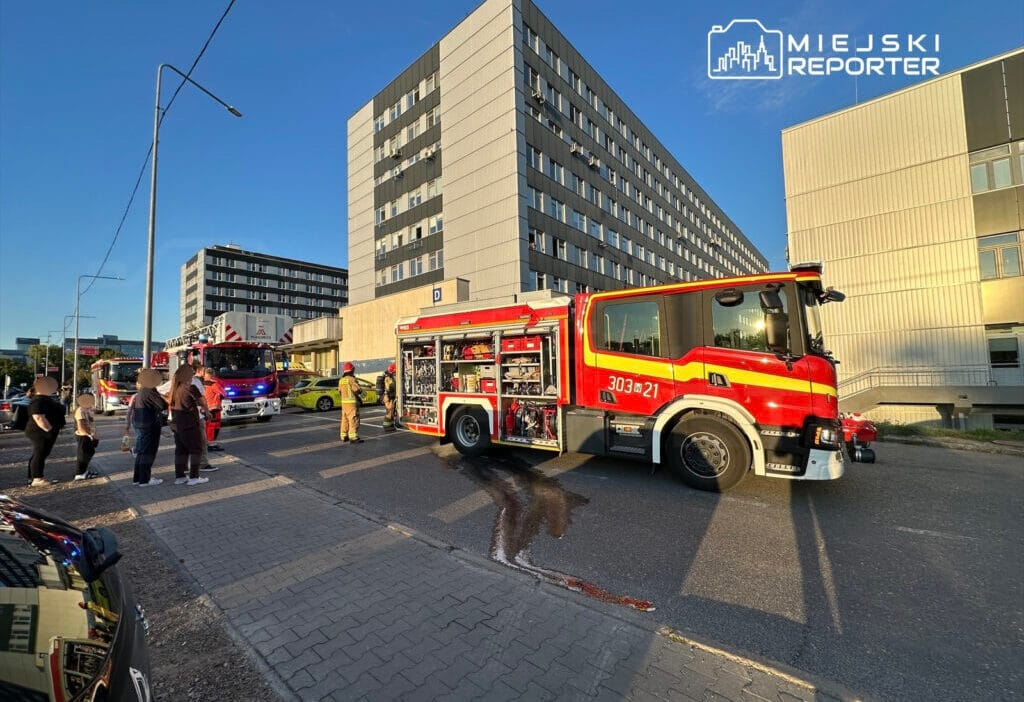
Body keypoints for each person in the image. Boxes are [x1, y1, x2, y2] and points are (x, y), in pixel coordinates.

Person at [168, 365, 209, 486]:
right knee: (196, 449)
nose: (193, 377)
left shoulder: (174, 389)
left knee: (181, 450)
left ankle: (180, 476)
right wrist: (206, 411)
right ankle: (194, 477)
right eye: (191, 375)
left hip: (176, 423)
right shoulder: (191, 388)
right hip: (189, 423)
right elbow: (202, 401)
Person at [126, 368, 167, 486]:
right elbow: (162, 405)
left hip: (141, 423)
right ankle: (145, 479)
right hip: (149, 424)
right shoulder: (149, 390)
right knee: (148, 452)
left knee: (141, 452)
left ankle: (138, 478)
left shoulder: (142, 390)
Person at [24, 377, 65, 487]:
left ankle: (32, 477)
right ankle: (37, 478)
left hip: (43, 431)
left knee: (40, 453)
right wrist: (49, 430)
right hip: (40, 432)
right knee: (40, 453)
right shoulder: (38, 400)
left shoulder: (42, 398)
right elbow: (39, 417)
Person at [191, 365, 218, 472]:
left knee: (184, 444)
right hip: (197, 416)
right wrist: (206, 411)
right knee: (201, 441)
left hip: (183, 417)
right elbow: (202, 399)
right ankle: (202, 465)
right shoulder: (196, 383)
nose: (204, 371)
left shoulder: (175, 382)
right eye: (203, 370)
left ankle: (183, 468)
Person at [72, 392, 100, 480]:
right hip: (83, 435)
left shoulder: (87, 410)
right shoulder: (80, 411)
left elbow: (91, 423)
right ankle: (80, 473)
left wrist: (95, 435)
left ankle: (84, 471)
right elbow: (81, 425)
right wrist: (89, 435)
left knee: (89, 452)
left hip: (89, 435)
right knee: (83, 454)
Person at [338, 362, 363, 444]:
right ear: (352, 370)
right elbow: (357, 390)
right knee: (353, 419)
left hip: (344, 403)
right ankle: (353, 437)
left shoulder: (341, 380)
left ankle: (343, 435)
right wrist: (360, 390)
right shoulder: (351, 379)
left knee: (344, 419)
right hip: (351, 403)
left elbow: (340, 391)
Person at [202, 367, 225, 452]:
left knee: (206, 427)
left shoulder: (202, 383)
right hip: (214, 409)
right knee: (214, 427)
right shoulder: (214, 384)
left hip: (205, 408)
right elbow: (223, 393)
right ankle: (211, 445)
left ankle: (206, 444)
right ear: (213, 375)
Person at [382, 363, 397, 432]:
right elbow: (392, 386)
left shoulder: (387, 377)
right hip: (388, 396)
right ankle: (386, 426)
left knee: (391, 411)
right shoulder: (388, 378)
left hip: (387, 396)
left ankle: (390, 425)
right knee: (389, 411)